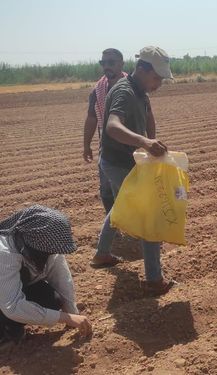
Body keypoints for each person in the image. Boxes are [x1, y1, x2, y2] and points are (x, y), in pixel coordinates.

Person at [90, 46, 175, 296]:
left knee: (120, 207)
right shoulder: (125, 91)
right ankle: (153, 280)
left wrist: (152, 141)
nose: (158, 82)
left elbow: (149, 116)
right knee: (148, 215)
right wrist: (144, 142)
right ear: (142, 69)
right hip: (116, 162)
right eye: (156, 77)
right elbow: (112, 127)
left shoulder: (140, 90)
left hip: (127, 161)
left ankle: (102, 254)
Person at [0, 206, 92, 347]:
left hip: (7, 290)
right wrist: (66, 318)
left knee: (50, 299)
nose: (50, 256)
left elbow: (61, 277)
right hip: (5, 297)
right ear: (33, 245)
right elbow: (12, 306)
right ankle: (4, 333)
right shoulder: (5, 254)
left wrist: (72, 312)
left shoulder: (44, 245)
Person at [83, 48, 129, 214]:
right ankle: (113, 224)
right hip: (108, 146)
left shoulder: (133, 86)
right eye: (103, 63)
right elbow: (91, 118)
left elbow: (148, 115)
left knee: (131, 187)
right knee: (106, 189)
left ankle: (134, 225)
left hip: (132, 146)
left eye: (111, 62)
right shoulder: (98, 90)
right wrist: (86, 145)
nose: (106, 66)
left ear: (121, 64)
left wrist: (150, 140)